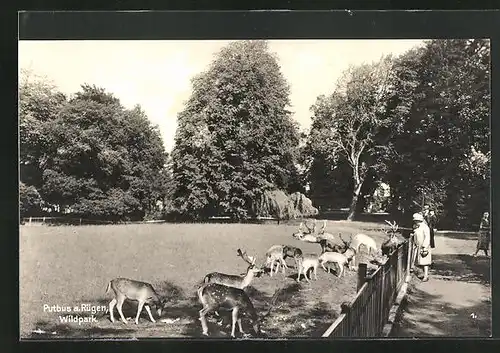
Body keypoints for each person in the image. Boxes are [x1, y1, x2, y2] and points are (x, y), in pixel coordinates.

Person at [411, 212, 432, 282]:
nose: (415, 222)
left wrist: (425, 246)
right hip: (418, 246)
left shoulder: (425, 227)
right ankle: (420, 273)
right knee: (420, 261)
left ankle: (426, 276)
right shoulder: (418, 227)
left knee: (425, 262)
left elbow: (427, 237)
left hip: (423, 246)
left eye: (416, 221)